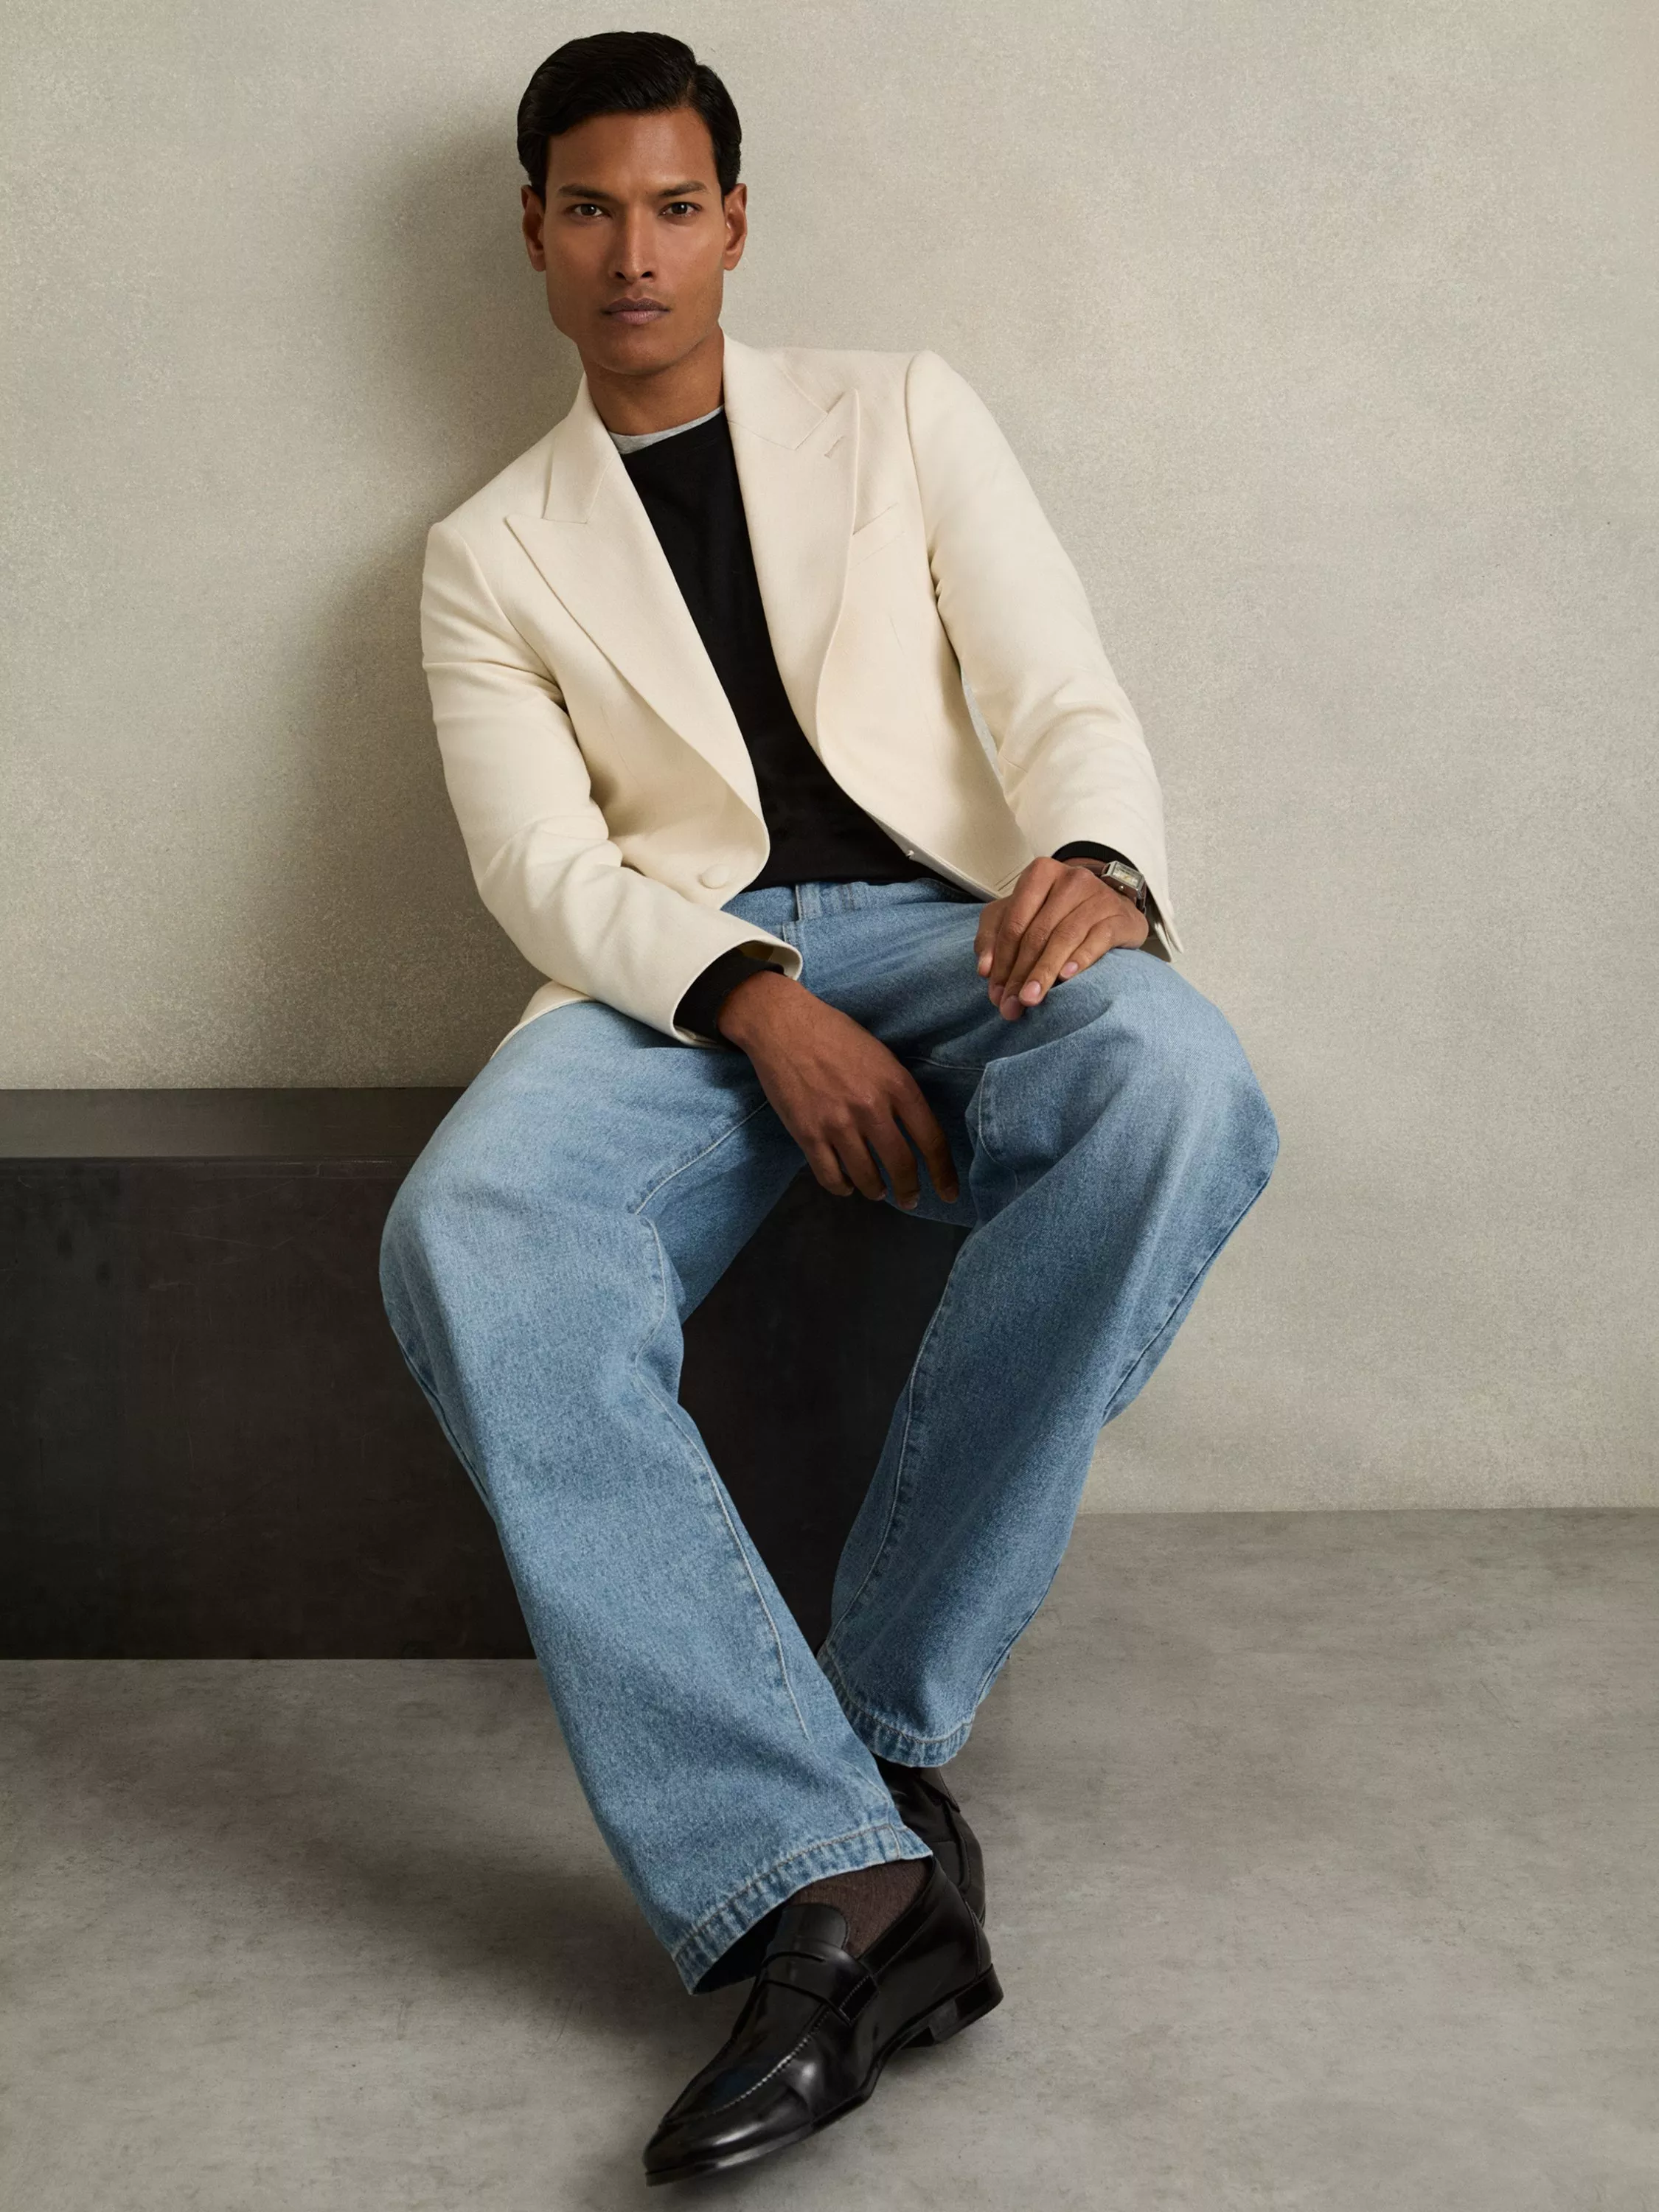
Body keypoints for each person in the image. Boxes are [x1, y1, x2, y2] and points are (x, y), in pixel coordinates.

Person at [379, 29, 1278, 2185]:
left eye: (674, 207)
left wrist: (1103, 862)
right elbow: (541, 867)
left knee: (1177, 1081)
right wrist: (750, 995)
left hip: (957, 932)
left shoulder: (901, 410)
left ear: (734, 226)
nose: (635, 252)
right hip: (672, 976)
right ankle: (844, 1874)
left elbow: (1054, 684)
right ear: (533, 234)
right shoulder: (485, 553)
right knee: (467, 1232)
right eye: (590, 209)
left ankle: (863, 1741)